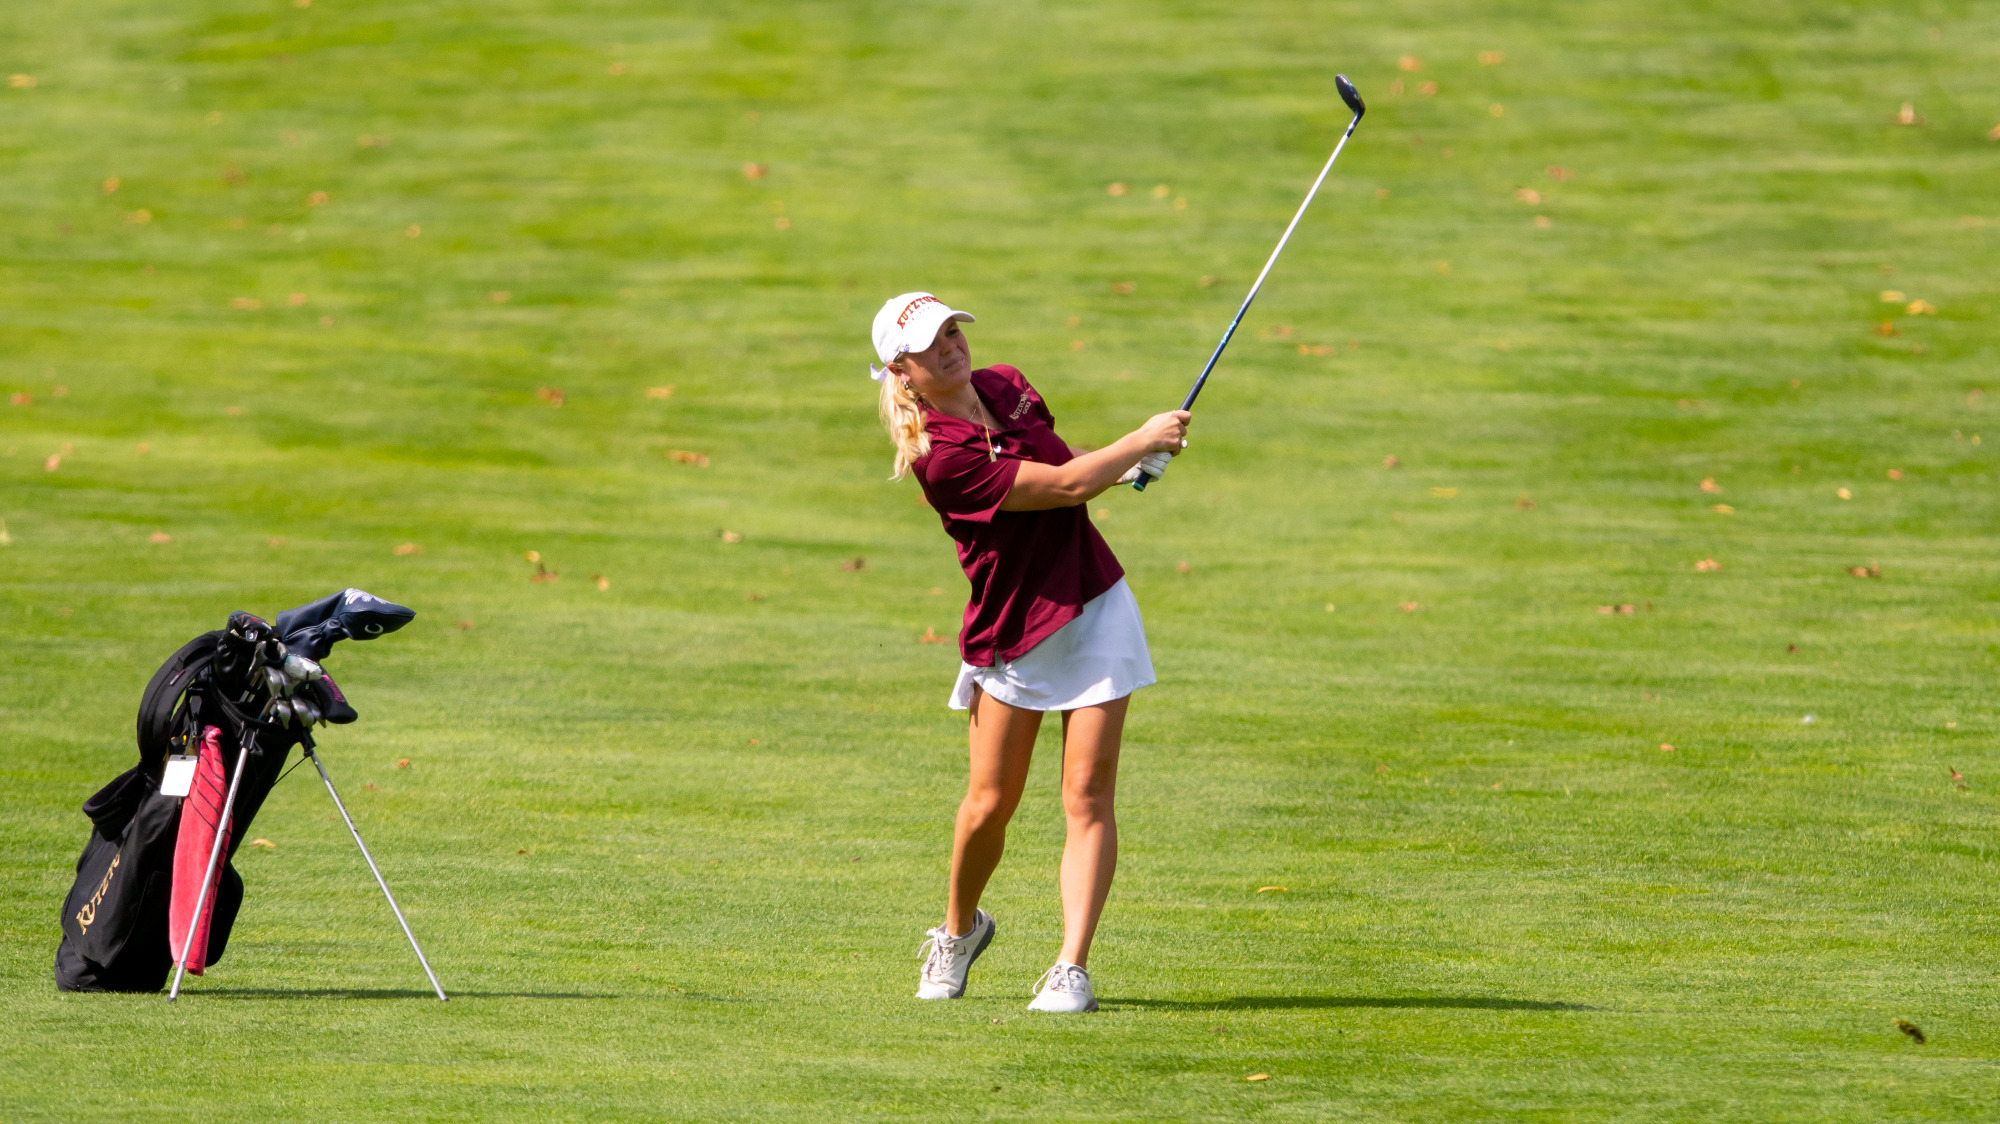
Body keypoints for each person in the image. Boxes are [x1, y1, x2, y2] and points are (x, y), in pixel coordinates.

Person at [869, 291, 1189, 1013]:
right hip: (1015, 630)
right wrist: (1138, 440)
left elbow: (1064, 463)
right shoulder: (941, 458)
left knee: (1088, 793)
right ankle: (959, 931)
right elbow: (1065, 486)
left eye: (953, 331)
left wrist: (1126, 466)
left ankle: (1071, 966)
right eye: (930, 344)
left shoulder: (1006, 386)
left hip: (1095, 604)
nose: (950, 346)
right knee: (989, 805)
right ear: (902, 371)